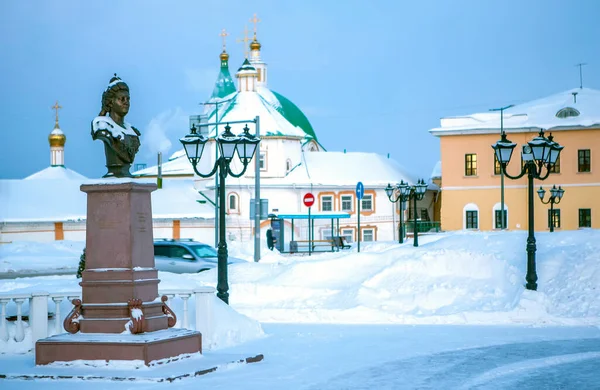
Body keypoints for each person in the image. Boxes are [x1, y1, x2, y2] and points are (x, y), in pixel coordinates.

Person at [91, 74, 141, 178]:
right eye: (121, 99)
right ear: (110, 102)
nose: (126, 102)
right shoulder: (103, 125)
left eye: (128, 99)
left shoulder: (132, 130)